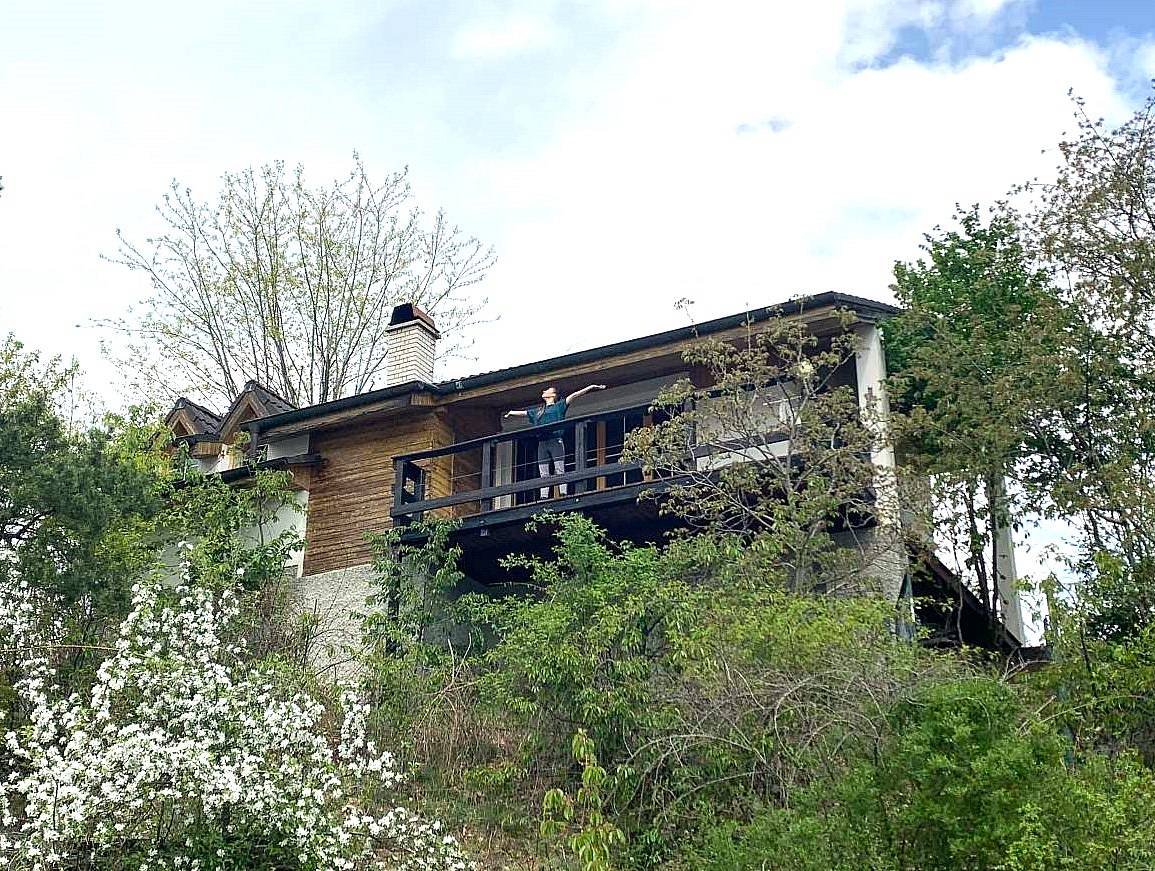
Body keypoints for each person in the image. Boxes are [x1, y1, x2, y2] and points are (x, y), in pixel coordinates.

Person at [505, 384, 607, 499]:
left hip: (555, 440)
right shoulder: (539, 411)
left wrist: (591, 387)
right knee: (543, 472)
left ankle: (563, 493)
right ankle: (544, 496)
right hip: (542, 443)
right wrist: (511, 412)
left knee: (559, 468)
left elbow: (575, 395)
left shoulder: (559, 406)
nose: (544, 391)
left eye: (547, 390)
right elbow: (525, 413)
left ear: (553, 394)